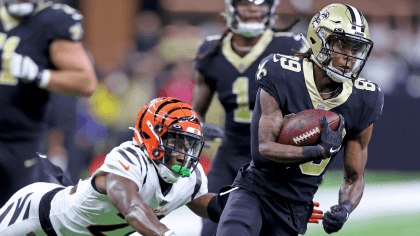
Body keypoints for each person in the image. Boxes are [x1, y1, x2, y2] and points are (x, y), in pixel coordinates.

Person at [216, 3, 384, 236]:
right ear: (319, 39)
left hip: (295, 209)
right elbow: (264, 148)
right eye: (342, 45)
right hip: (255, 191)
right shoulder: (282, 73)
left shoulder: (365, 98)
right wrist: (318, 150)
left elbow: (354, 177)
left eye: (356, 49)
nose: (349, 57)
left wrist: (345, 208)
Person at [0, 97, 225, 236]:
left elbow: (210, 205)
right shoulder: (130, 158)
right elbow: (133, 208)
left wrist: (247, 203)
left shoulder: (189, 178)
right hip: (37, 217)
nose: (183, 155)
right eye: (176, 143)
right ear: (151, 136)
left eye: (189, 146)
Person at [191, 1, 303, 234]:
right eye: (245, 3)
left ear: (271, 8)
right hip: (230, 153)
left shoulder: (290, 45)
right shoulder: (211, 50)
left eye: (260, 3)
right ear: (231, 7)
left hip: (273, 159)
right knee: (213, 228)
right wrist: (196, 126)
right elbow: (197, 110)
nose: (253, 9)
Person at [0, 0, 97, 206]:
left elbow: (86, 82)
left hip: (18, 141)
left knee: (13, 217)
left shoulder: (51, 21)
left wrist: (40, 75)